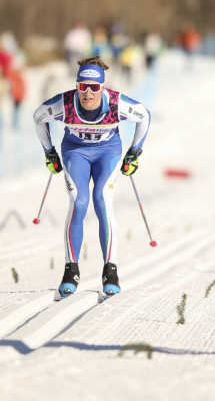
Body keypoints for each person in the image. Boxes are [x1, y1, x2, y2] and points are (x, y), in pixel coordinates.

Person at [32, 56, 151, 299]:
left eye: (94, 87)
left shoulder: (116, 103)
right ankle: (71, 270)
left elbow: (143, 115)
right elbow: (38, 117)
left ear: (102, 88)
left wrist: (133, 153)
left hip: (108, 151)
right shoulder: (64, 104)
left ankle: (110, 271)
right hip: (75, 151)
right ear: (76, 85)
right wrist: (49, 151)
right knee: (79, 201)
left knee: (101, 200)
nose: (88, 93)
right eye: (82, 86)